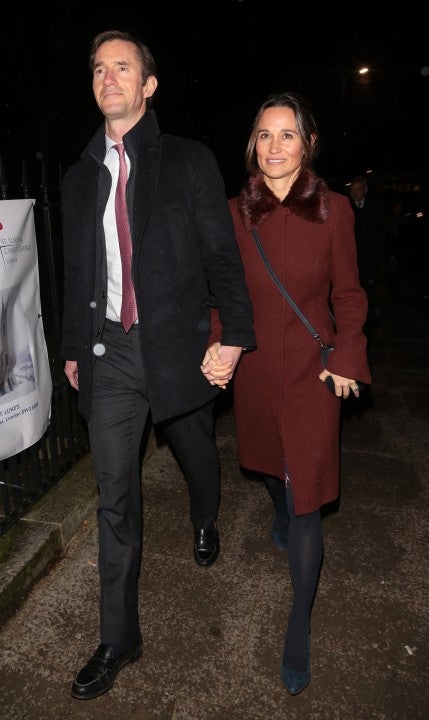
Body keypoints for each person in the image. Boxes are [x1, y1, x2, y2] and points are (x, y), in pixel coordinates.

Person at [61, 29, 255, 700]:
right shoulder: (78, 178)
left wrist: (233, 338)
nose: (107, 78)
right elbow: (77, 272)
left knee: (196, 452)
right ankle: (119, 637)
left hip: (177, 347)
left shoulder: (188, 161)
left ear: (148, 85)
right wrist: (73, 347)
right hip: (111, 353)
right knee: (114, 496)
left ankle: (206, 514)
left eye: (122, 67)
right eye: (98, 69)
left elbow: (223, 257)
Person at [201, 92, 371, 695]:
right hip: (254, 367)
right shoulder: (231, 213)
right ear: (253, 144)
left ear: (308, 144)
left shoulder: (332, 210)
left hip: (311, 371)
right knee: (270, 466)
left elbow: (348, 293)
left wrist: (348, 354)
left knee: (306, 498)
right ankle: (277, 501)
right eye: (264, 135)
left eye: (287, 134)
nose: (274, 147)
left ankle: (299, 622)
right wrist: (219, 344)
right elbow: (222, 294)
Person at [348, 174, 393, 333]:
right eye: (352, 190)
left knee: (370, 288)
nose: (355, 193)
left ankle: (372, 316)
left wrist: (378, 247)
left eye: (358, 189)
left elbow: (383, 229)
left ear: (365, 190)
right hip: (352, 257)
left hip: (371, 256)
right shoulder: (347, 208)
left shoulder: (375, 208)